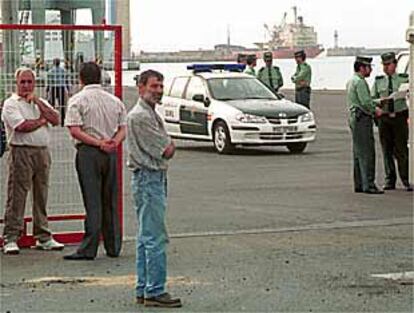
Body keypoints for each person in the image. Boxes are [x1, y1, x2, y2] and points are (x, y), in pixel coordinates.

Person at [127, 70, 182, 308]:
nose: (158, 90)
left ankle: (144, 287)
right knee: (155, 237)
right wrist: (170, 143)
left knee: (145, 236)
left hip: (149, 178)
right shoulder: (141, 116)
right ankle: (155, 289)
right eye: (154, 86)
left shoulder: (148, 113)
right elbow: (166, 149)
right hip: (149, 178)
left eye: (160, 86)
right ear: (141, 87)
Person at [63, 62, 126, 261]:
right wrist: (113, 142)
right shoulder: (114, 101)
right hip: (111, 152)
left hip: (89, 152)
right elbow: (123, 127)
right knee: (110, 199)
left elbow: (75, 129)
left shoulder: (77, 100)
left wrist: (98, 143)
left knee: (93, 201)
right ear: (99, 77)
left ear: (80, 78)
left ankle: (89, 247)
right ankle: (113, 244)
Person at [1, 67, 64, 254]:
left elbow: (56, 118)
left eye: (30, 82)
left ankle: (43, 235)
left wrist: (38, 103)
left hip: (42, 152)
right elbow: (22, 126)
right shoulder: (11, 104)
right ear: (16, 83)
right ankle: (11, 237)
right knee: (17, 195)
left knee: (41, 194)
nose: (26, 85)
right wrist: (41, 121)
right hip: (21, 152)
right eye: (23, 82)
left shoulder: (40, 102)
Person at [371, 52, 412, 191]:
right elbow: (372, 99)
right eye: (384, 65)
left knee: (401, 150)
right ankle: (390, 179)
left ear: (395, 64)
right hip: (385, 118)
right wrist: (381, 102)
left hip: (399, 117)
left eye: (388, 64)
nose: (386, 68)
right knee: (386, 150)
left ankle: (406, 178)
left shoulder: (403, 79)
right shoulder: (379, 81)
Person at [346, 56, 383, 194]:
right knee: (367, 152)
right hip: (362, 119)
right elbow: (365, 102)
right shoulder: (360, 82)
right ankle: (369, 184)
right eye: (369, 67)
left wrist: (377, 101)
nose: (371, 70)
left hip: (354, 118)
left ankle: (360, 183)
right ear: (362, 67)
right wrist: (376, 109)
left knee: (358, 153)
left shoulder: (351, 80)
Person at [47, 58, 70, 126]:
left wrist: (47, 89)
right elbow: (66, 80)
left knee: (52, 105)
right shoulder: (63, 70)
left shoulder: (51, 71)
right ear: (59, 63)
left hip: (54, 88)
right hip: (61, 87)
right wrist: (68, 88)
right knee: (62, 104)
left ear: (53, 63)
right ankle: (63, 121)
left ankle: (53, 121)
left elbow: (49, 81)